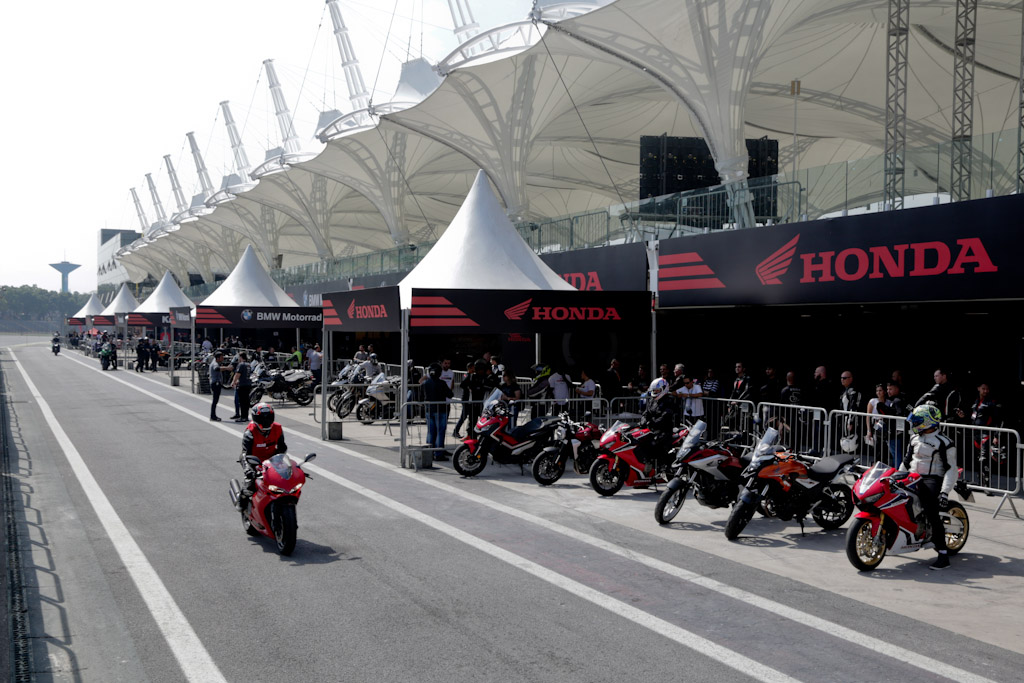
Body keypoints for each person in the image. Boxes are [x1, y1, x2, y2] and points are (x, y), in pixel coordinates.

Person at [901, 404, 958, 570]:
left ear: (928, 422)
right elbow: (905, 462)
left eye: (918, 421)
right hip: (912, 477)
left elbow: (951, 469)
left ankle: (943, 554)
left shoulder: (944, 442)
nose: (914, 423)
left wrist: (945, 492)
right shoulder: (914, 438)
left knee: (930, 511)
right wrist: (895, 477)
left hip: (932, 479)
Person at [235, 403, 288, 513]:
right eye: (262, 418)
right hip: (254, 461)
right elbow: (245, 453)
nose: (266, 421)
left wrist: (285, 463)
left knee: (284, 483)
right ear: (255, 418)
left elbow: (282, 448)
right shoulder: (250, 432)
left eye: (268, 417)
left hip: (272, 461)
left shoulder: (278, 428)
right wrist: (248, 469)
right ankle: (242, 499)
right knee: (250, 484)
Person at [637, 378, 677, 466]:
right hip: (651, 430)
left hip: (664, 431)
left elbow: (665, 416)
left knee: (655, 445)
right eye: (654, 390)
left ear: (663, 388)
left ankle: (662, 467)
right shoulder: (652, 400)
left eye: (657, 390)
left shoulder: (669, 400)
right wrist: (643, 422)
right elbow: (646, 413)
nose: (655, 392)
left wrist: (652, 423)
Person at [422, 363, 454, 461]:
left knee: (430, 432)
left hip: (429, 410)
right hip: (441, 410)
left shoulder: (425, 383)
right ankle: (438, 453)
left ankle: (429, 452)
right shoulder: (442, 383)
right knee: (440, 432)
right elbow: (450, 394)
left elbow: (421, 395)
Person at [877, 380, 909, 468]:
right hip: (897, 432)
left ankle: (897, 473)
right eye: (887, 389)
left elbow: (898, 415)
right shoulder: (898, 399)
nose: (888, 391)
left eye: (890, 389)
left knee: (897, 455)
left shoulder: (898, 401)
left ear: (897, 389)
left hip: (896, 433)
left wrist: (885, 411)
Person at [452, 362, 477, 439]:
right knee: (464, 416)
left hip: (469, 399)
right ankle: (456, 431)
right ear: (470, 368)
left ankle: (469, 432)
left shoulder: (472, 376)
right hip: (466, 399)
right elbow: (462, 384)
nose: (474, 369)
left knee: (471, 416)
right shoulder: (467, 375)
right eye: (473, 368)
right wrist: (468, 388)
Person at [208, 351, 232, 421]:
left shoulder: (215, 362)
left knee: (215, 400)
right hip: (215, 384)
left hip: (217, 383)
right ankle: (213, 416)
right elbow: (217, 369)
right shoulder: (215, 363)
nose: (223, 358)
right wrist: (227, 368)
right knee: (215, 400)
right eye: (221, 357)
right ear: (217, 358)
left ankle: (213, 415)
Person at [230, 353, 252, 422]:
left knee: (242, 401)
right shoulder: (248, 365)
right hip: (248, 384)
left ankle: (243, 417)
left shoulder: (241, 364)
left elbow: (237, 374)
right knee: (246, 401)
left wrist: (233, 382)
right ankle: (246, 416)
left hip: (242, 385)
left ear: (241, 357)